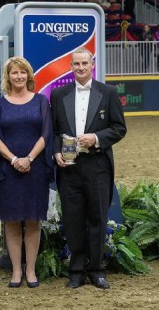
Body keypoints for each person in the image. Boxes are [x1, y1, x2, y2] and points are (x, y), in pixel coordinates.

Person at [50, 47, 126, 290]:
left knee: (97, 218)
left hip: (97, 165)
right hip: (69, 168)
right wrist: (55, 152)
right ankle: (76, 270)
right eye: (76, 64)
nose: (80, 68)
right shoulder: (58, 94)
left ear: (92, 64)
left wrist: (96, 138)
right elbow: (52, 131)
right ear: (70, 66)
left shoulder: (109, 92)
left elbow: (119, 128)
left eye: (84, 63)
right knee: (72, 220)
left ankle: (97, 270)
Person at [0, 57, 53, 288]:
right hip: (9, 170)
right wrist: (15, 159)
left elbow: (47, 134)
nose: (18, 76)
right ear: (8, 76)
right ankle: (16, 271)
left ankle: (31, 271)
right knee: (12, 221)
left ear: (28, 75)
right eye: (14, 73)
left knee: (34, 220)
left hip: (35, 170)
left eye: (22, 72)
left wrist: (30, 158)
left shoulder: (41, 101)